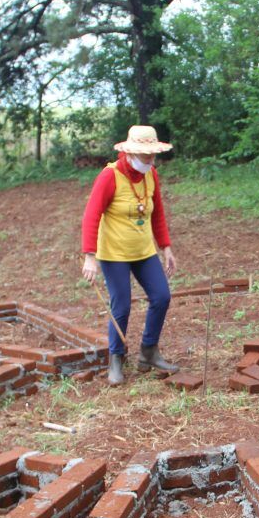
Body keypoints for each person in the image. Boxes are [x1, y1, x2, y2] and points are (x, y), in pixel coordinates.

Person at [81, 125, 179, 385]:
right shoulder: (110, 176)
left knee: (161, 296)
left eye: (153, 156)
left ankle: (149, 352)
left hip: (143, 251)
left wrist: (166, 247)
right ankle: (116, 358)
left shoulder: (151, 175)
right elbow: (92, 215)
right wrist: (90, 256)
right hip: (114, 254)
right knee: (121, 306)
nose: (150, 160)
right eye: (145, 156)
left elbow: (157, 213)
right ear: (132, 152)